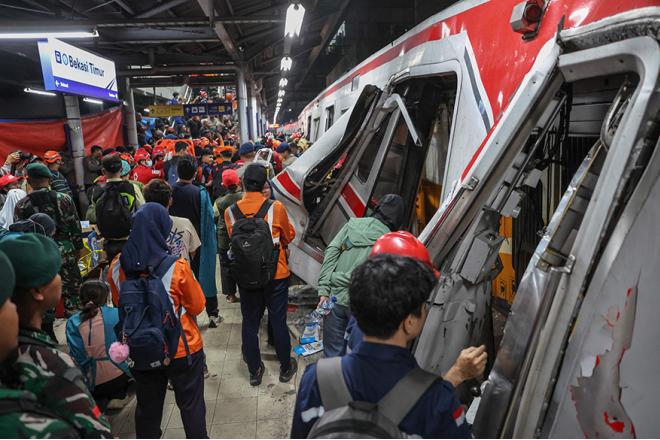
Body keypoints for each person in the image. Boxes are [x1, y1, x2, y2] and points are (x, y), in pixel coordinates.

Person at [291, 254, 486, 438]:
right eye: (423, 306)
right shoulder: (438, 400)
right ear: (409, 322)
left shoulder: (315, 379)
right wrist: (456, 376)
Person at [107, 203, 208, 439]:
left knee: (148, 410)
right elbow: (198, 306)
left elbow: (120, 304)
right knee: (191, 407)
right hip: (182, 347)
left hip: (140, 348)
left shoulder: (117, 266)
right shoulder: (177, 267)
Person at [0, 234, 112, 437]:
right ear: (38, 291)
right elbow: (96, 432)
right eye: (55, 273)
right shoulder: (51, 363)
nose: (60, 278)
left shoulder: (14, 347)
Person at [225, 164, 297, 386]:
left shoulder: (230, 212)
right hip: (276, 274)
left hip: (247, 275)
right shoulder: (275, 207)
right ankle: (285, 367)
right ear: (265, 183)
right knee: (278, 320)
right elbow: (288, 236)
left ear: (243, 183)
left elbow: (235, 241)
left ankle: (255, 371)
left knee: (249, 323)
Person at [317, 194, 405, 357]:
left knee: (332, 354)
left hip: (334, 298)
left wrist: (324, 289)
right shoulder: (391, 241)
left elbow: (331, 252)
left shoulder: (352, 225)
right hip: (362, 307)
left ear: (378, 208)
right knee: (356, 356)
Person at [14, 163, 84, 326]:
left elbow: (21, 233)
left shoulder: (22, 205)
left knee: (43, 297)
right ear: (49, 179)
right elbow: (75, 226)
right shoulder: (64, 199)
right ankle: (77, 329)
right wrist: (78, 247)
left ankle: (48, 331)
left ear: (29, 181)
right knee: (73, 294)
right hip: (65, 251)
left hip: (39, 254)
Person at [65, 279, 132, 412]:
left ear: (81, 298)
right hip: (120, 375)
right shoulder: (116, 314)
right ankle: (120, 395)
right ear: (105, 297)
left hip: (92, 383)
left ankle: (100, 401)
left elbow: (77, 356)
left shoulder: (72, 322)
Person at [170, 158, 219, 326]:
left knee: (179, 278)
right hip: (198, 242)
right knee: (204, 275)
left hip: (175, 241)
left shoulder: (169, 191)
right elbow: (209, 218)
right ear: (194, 173)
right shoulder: (200, 193)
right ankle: (212, 313)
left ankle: (184, 315)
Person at [87, 154, 140, 265]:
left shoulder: (97, 191)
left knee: (113, 268)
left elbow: (94, 215)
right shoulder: (131, 187)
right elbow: (140, 211)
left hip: (109, 242)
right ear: (121, 170)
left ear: (103, 171)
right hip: (129, 239)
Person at [144, 179, 201, 265]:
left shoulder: (141, 226)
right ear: (170, 201)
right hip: (181, 271)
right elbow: (193, 252)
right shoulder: (185, 224)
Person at [214, 169, 243, 304]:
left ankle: (231, 295)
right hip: (242, 235)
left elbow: (215, 216)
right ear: (238, 182)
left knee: (226, 266)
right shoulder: (245, 197)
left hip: (225, 237)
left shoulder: (219, 202)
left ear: (224, 185)